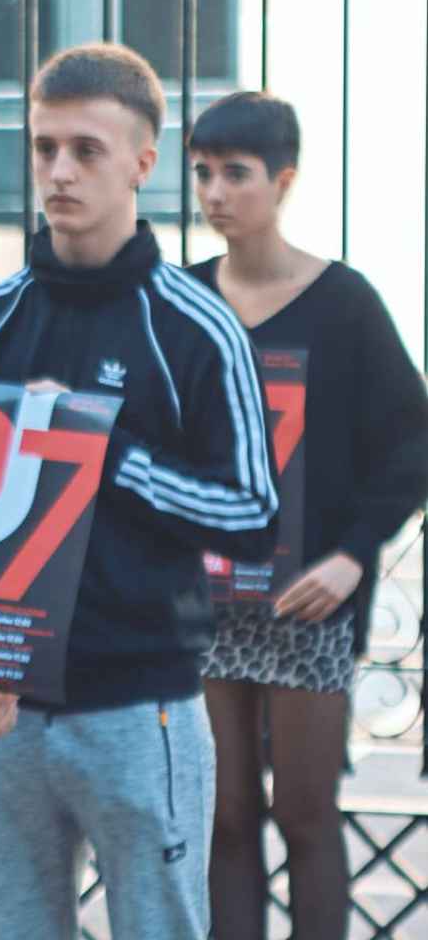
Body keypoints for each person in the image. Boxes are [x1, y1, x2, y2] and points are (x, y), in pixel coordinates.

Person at [0, 44, 280, 939]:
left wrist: (99, 451)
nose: (59, 170)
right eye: (44, 146)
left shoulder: (198, 330)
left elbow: (252, 517)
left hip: (143, 709)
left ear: (142, 161)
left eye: (86, 150)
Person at [187, 91, 428, 940]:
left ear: (283, 181)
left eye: (236, 175)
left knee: (305, 815)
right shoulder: (181, 300)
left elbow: (412, 443)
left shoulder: (344, 304)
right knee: (223, 818)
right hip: (205, 605)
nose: (215, 192)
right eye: (202, 173)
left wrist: (354, 554)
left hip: (308, 603)